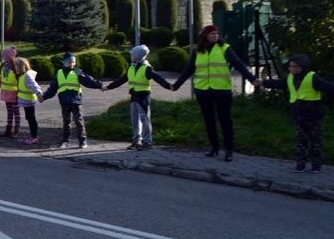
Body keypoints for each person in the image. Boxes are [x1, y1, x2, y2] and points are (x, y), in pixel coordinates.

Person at [172, 25, 260, 162]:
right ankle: (214, 147)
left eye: (216, 33)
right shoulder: (198, 51)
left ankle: (229, 150)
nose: (215, 35)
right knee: (209, 120)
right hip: (203, 91)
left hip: (221, 91)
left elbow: (238, 64)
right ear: (205, 36)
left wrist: (252, 79)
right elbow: (188, 69)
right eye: (212, 33)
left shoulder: (225, 48)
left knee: (225, 120)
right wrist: (176, 85)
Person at [262, 54, 332, 173]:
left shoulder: (313, 78)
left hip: (313, 115)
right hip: (299, 115)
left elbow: (329, 87)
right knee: (301, 141)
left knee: (315, 141)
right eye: (290, 66)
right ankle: (301, 165)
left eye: (294, 66)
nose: (291, 68)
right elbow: (279, 83)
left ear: (302, 67)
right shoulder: (290, 78)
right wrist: (263, 83)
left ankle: (316, 166)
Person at [105, 44, 173, 150]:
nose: (130, 56)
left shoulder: (147, 68)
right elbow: (121, 80)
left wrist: (169, 86)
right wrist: (109, 87)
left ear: (138, 56)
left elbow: (158, 78)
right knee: (135, 120)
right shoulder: (131, 68)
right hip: (134, 97)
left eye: (132, 54)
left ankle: (147, 142)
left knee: (145, 119)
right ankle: (136, 141)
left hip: (143, 97)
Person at [40, 52, 102, 149]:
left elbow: (88, 81)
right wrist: (44, 97)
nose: (72, 64)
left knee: (79, 121)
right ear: (64, 62)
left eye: (73, 62)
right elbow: (52, 88)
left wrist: (100, 85)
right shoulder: (59, 74)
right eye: (69, 62)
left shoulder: (77, 72)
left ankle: (82, 141)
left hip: (76, 101)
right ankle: (65, 141)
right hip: (64, 101)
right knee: (66, 121)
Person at [14, 57, 44, 144]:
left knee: (31, 118)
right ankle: (33, 136)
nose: (15, 68)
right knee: (29, 117)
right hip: (26, 100)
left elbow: (34, 85)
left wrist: (39, 94)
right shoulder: (23, 75)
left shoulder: (27, 76)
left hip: (29, 100)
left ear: (21, 66)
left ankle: (34, 137)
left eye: (16, 66)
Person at [0, 46, 20, 138]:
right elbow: (2, 77)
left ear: (9, 56)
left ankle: (16, 130)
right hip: (6, 92)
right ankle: (8, 130)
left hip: (14, 92)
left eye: (4, 56)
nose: (3, 58)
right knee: (9, 112)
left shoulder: (16, 66)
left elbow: (19, 79)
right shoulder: (4, 66)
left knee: (16, 112)